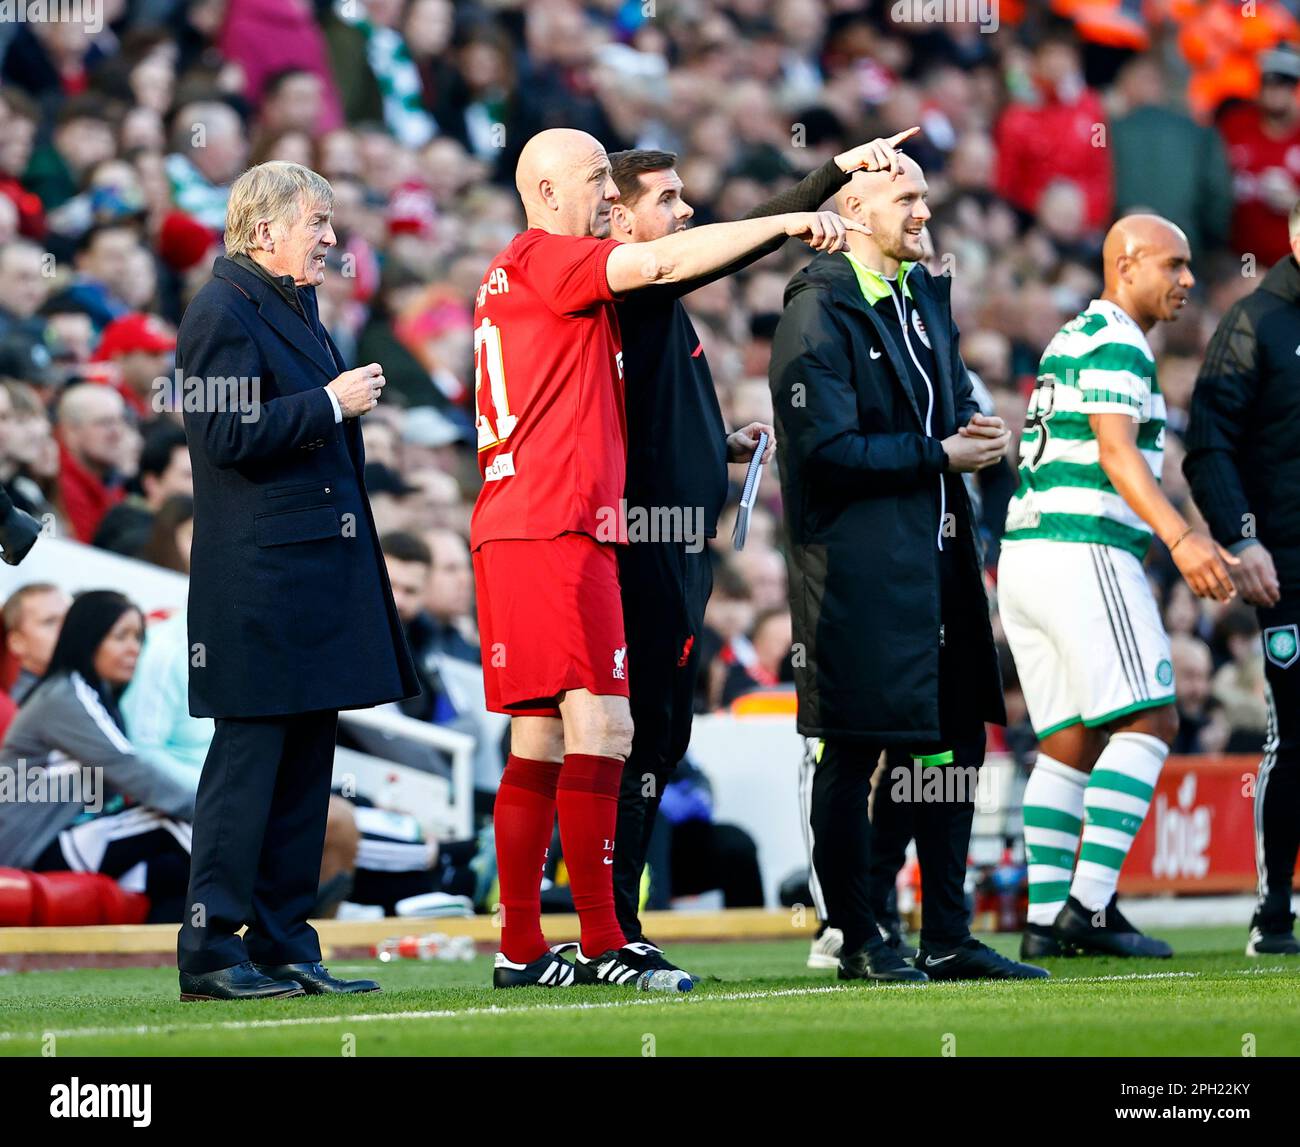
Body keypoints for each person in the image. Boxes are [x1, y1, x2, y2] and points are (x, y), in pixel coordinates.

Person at [473, 126, 865, 990]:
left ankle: (521, 947)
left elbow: (602, 405)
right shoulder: (557, 257)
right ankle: (609, 939)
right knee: (610, 728)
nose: (609, 204)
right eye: (596, 185)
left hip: (528, 522)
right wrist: (790, 223)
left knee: (539, 738)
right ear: (543, 192)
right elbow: (656, 265)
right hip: (560, 525)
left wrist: (706, 446)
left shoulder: (526, 273)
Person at [604, 130, 918, 964]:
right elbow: (737, 239)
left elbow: (653, 423)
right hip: (643, 549)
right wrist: (825, 182)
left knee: (660, 737)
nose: (686, 210)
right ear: (617, 218)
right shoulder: (633, 286)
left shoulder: (659, 307)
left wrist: (718, 445)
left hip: (678, 548)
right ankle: (614, 927)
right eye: (666, 199)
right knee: (639, 734)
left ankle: (615, 922)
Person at [769, 153, 1045, 982]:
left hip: (939, 556)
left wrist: (976, 430)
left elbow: (946, 403)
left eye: (927, 194)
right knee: (854, 748)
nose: (925, 210)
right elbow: (823, 449)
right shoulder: (818, 309)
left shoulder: (922, 295)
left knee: (951, 742)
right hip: (855, 567)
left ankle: (946, 931)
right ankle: (854, 933)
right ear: (851, 208)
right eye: (907, 196)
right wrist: (940, 452)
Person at [175, 160, 420, 1002]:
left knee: (306, 767)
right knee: (247, 771)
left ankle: (284, 940)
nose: (330, 238)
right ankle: (210, 948)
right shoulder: (220, 308)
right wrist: (330, 401)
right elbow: (224, 432)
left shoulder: (287, 304)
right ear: (262, 229)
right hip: (259, 584)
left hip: (310, 576)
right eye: (317, 222)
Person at [1001, 214, 1237, 961]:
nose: (1188, 279)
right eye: (1174, 264)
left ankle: (1044, 915)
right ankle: (1090, 908)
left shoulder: (1070, 335)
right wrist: (1182, 535)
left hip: (1027, 556)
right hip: (1085, 549)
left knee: (1067, 741)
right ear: (1126, 264)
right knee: (1152, 721)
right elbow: (1114, 450)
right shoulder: (1116, 339)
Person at [1185, 199, 1300, 956]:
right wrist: (1241, 538)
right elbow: (1208, 445)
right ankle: (1273, 914)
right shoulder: (1255, 323)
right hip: (1288, 566)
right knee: (1299, 735)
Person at [0, 591, 195, 922]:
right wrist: (217, 810)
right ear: (91, 637)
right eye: (120, 637)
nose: (133, 648)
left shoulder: (97, 694)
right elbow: (130, 767)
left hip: (64, 835)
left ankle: (176, 952)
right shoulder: (64, 694)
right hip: (29, 844)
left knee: (174, 871)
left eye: (137, 637)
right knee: (178, 823)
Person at [3, 582, 69, 703]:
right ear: (17, 642)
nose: (66, 627)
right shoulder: (17, 706)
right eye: (50, 622)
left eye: (70, 617)